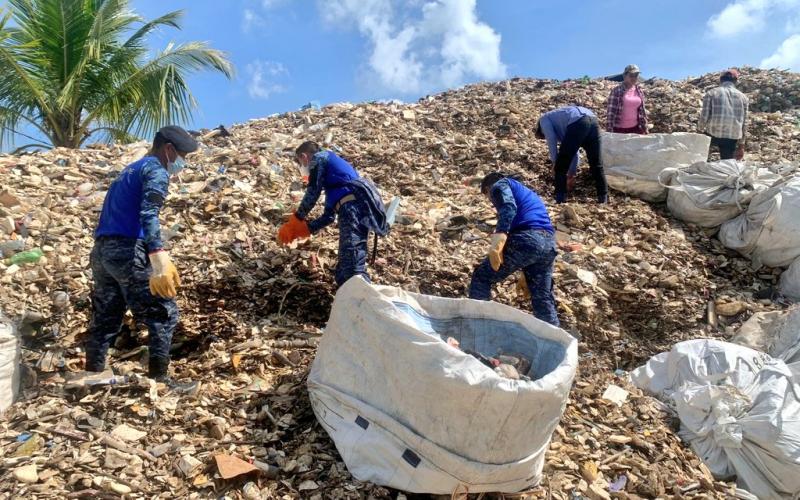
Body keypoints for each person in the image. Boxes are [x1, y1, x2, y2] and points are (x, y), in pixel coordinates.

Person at [86, 126, 197, 381]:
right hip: (127, 251)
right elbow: (149, 213)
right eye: (183, 155)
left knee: (106, 316)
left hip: (101, 251)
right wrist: (158, 255)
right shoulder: (156, 170)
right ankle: (160, 380)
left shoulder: (130, 170)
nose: (183, 161)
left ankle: (92, 375)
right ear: (169, 149)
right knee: (163, 312)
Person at [278, 142, 387, 287]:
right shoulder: (334, 182)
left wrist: (297, 219)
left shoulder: (320, 157)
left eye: (300, 162)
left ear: (304, 157)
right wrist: (305, 229)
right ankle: (349, 295)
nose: (302, 167)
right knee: (344, 266)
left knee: (352, 263)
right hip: (352, 208)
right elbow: (328, 217)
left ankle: (361, 297)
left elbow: (313, 191)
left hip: (353, 208)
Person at [469, 172, 559, 326]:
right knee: (542, 297)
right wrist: (527, 269)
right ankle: (554, 338)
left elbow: (508, 206)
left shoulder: (500, 185)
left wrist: (501, 234)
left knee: (481, 277)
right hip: (549, 244)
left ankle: (479, 327)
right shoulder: (530, 194)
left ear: (488, 188)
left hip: (528, 238)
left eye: (488, 197)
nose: (492, 201)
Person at [536, 106, 608, 204]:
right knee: (596, 164)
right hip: (593, 120)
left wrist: (554, 162)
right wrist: (571, 174)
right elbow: (574, 151)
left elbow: (551, 140)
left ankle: (560, 199)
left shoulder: (544, 120)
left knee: (560, 167)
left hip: (578, 120)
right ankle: (603, 199)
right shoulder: (561, 125)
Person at [699, 68, 748, 160]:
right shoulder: (743, 97)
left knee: (702, 157)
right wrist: (741, 146)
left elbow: (704, 117)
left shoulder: (711, 93)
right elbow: (744, 123)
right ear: (736, 81)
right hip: (732, 137)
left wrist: (699, 132)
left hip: (713, 134)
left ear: (721, 80)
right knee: (727, 163)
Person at [606, 64, 648, 134]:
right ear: (625, 76)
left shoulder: (639, 90)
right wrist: (609, 131)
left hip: (636, 128)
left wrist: (645, 128)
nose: (634, 78)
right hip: (619, 130)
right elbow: (611, 112)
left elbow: (642, 112)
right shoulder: (617, 91)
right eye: (631, 75)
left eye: (636, 75)